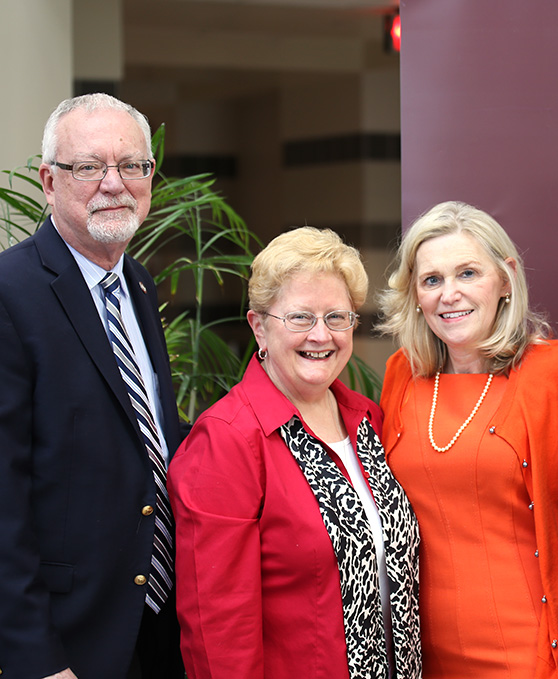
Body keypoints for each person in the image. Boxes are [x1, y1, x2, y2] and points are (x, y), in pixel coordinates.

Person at [167, 226, 421, 679]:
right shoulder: (226, 441)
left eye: (337, 317)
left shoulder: (368, 420)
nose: (321, 335)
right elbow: (218, 630)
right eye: (300, 318)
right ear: (259, 326)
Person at [0, 94, 184, 679]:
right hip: (67, 641)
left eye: (133, 165)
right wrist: (37, 659)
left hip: (153, 623)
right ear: (49, 181)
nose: (115, 184)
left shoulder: (138, 284)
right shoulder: (10, 293)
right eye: (89, 167)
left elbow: (146, 436)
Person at [378, 200, 558, 678]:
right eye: (432, 280)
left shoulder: (555, 370)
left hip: (529, 650)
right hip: (419, 652)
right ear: (415, 294)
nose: (449, 294)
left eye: (468, 273)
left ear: (505, 279)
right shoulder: (401, 375)